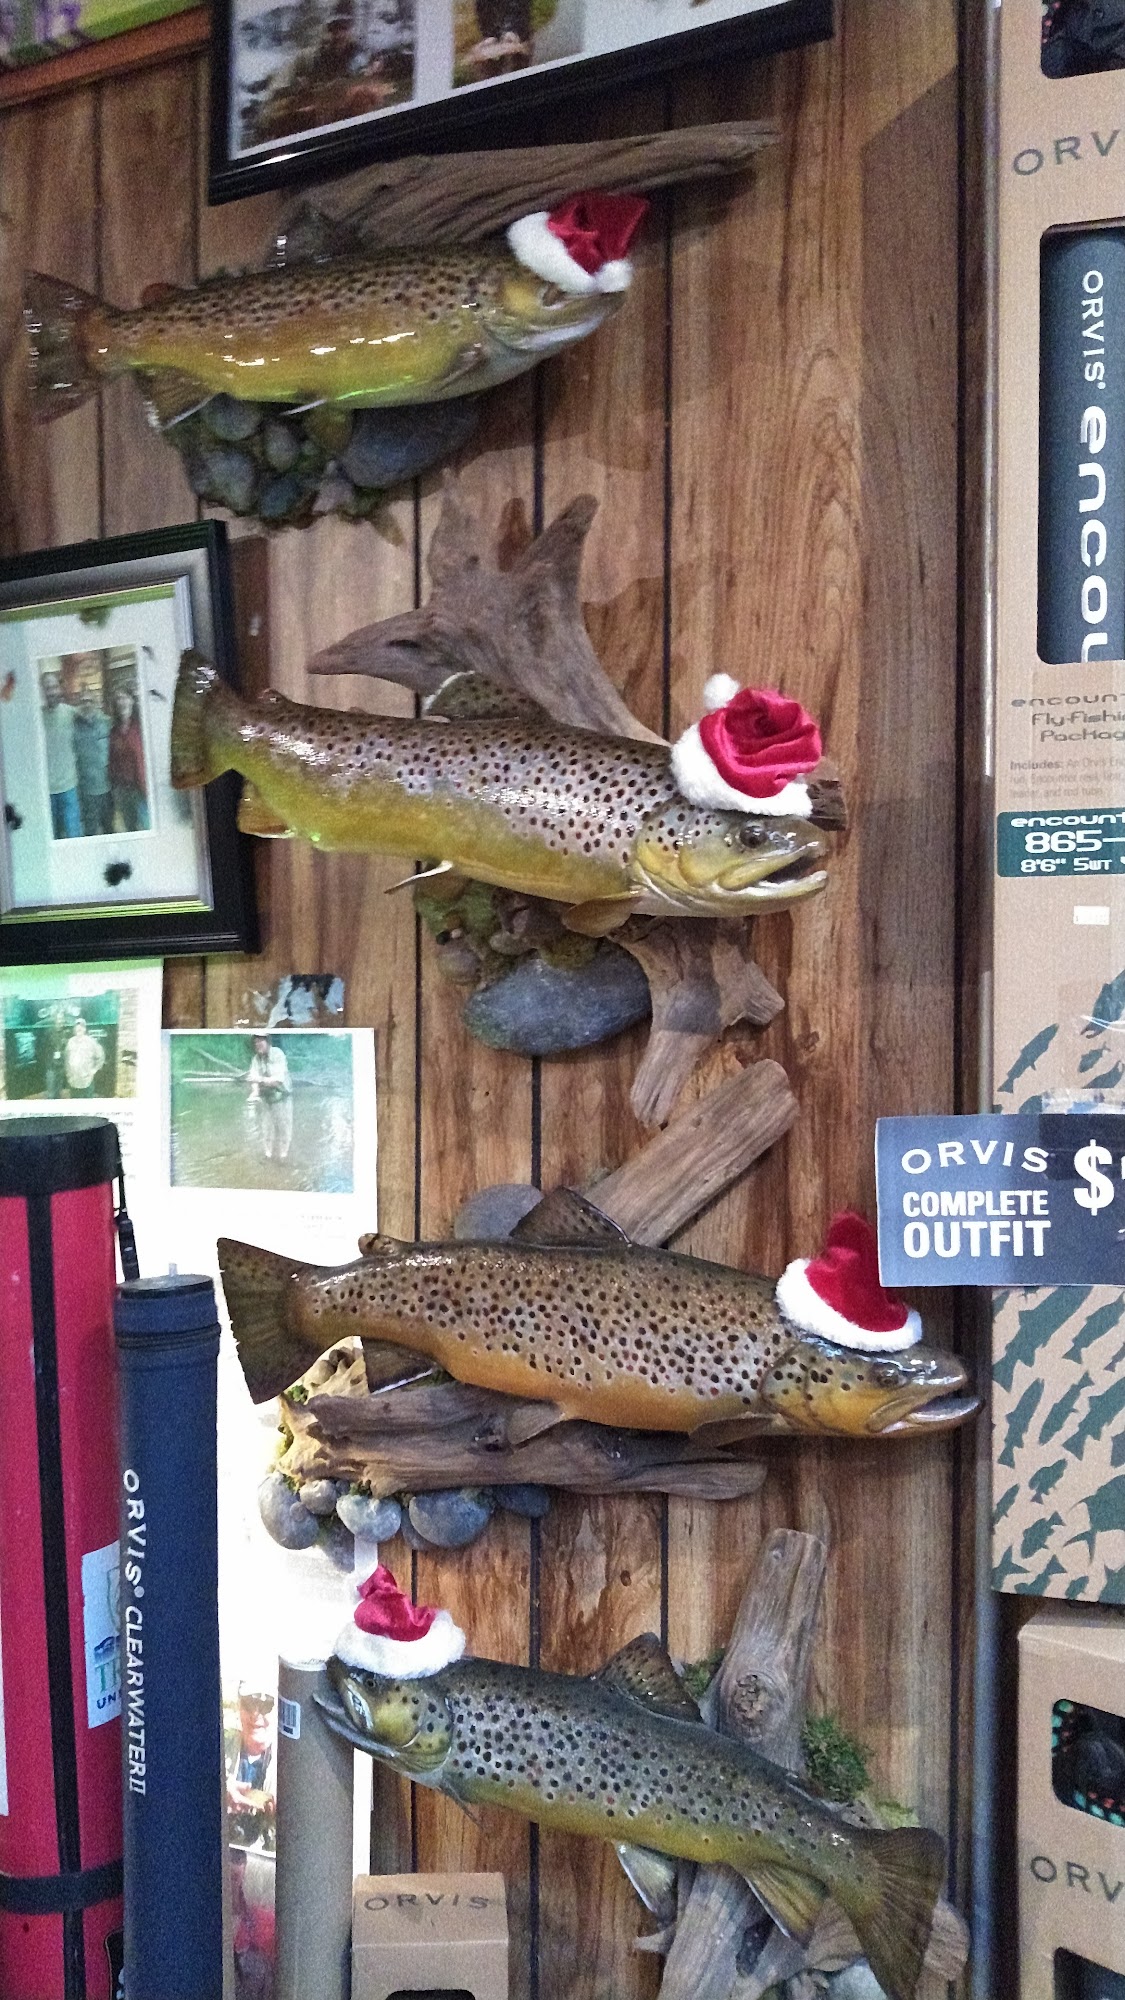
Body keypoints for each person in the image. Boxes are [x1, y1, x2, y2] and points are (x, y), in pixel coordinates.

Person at [41, 669, 80, 840]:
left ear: (60, 688)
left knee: (73, 836)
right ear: (42, 691)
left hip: (69, 787)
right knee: (52, 837)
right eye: (47, 688)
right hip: (46, 790)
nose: (51, 692)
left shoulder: (71, 713)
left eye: (54, 687)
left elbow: (95, 718)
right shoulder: (36, 717)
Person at [246, 1035, 293, 1164]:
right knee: (266, 1127)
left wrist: (259, 1080)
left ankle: (283, 1156)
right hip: (266, 1097)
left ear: (267, 1042)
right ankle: (268, 1155)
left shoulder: (277, 1054)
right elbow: (253, 1076)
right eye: (255, 1042)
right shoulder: (256, 1059)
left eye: (260, 1041)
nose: (257, 1044)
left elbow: (278, 1079)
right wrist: (255, 1091)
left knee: (283, 1127)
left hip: (282, 1096)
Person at [108, 684, 149, 832]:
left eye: (124, 697)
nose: (121, 702)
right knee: (131, 828)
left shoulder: (142, 726)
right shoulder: (114, 732)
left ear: (131, 700)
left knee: (147, 826)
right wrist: (115, 788)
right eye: (118, 699)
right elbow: (112, 761)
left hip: (143, 788)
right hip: (124, 790)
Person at [74, 683, 111, 836]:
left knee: (109, 827)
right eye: (83, 701)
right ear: (79, 704)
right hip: (86, 789)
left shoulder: (107, 723)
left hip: (107, 786)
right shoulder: (73, 726)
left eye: (90, 700)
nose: (87, 704)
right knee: (90, 828)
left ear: (95, 703)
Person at [62, 1017, 106, 1097]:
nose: (79, 1029)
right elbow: (66, 1058)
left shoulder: (91, 1042)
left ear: (84, 1029)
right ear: (74, 1029)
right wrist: (68, 1074)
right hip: (73, 1082)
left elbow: (101, 1056)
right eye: (77, 1027)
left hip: (86, 1082)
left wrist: (94, 1070)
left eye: (81, 1027)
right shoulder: (70, 1042)